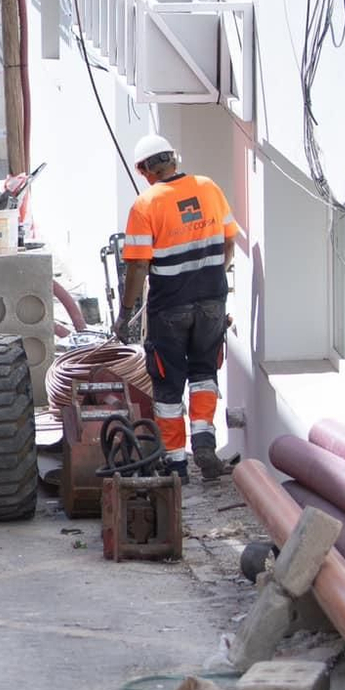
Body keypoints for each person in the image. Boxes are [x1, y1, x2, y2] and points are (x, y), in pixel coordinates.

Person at [118, 131, 240, 482]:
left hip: (169, 309)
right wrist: (213, 274)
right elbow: (229, 242)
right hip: (213, 302)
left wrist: (126, 314)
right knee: (205, 372)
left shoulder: (145, 205)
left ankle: (176, 464)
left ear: (144, 171)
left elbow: (138, 266)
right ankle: (204, 443)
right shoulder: (209, 188)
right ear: (174, 159)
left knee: (168, 386)